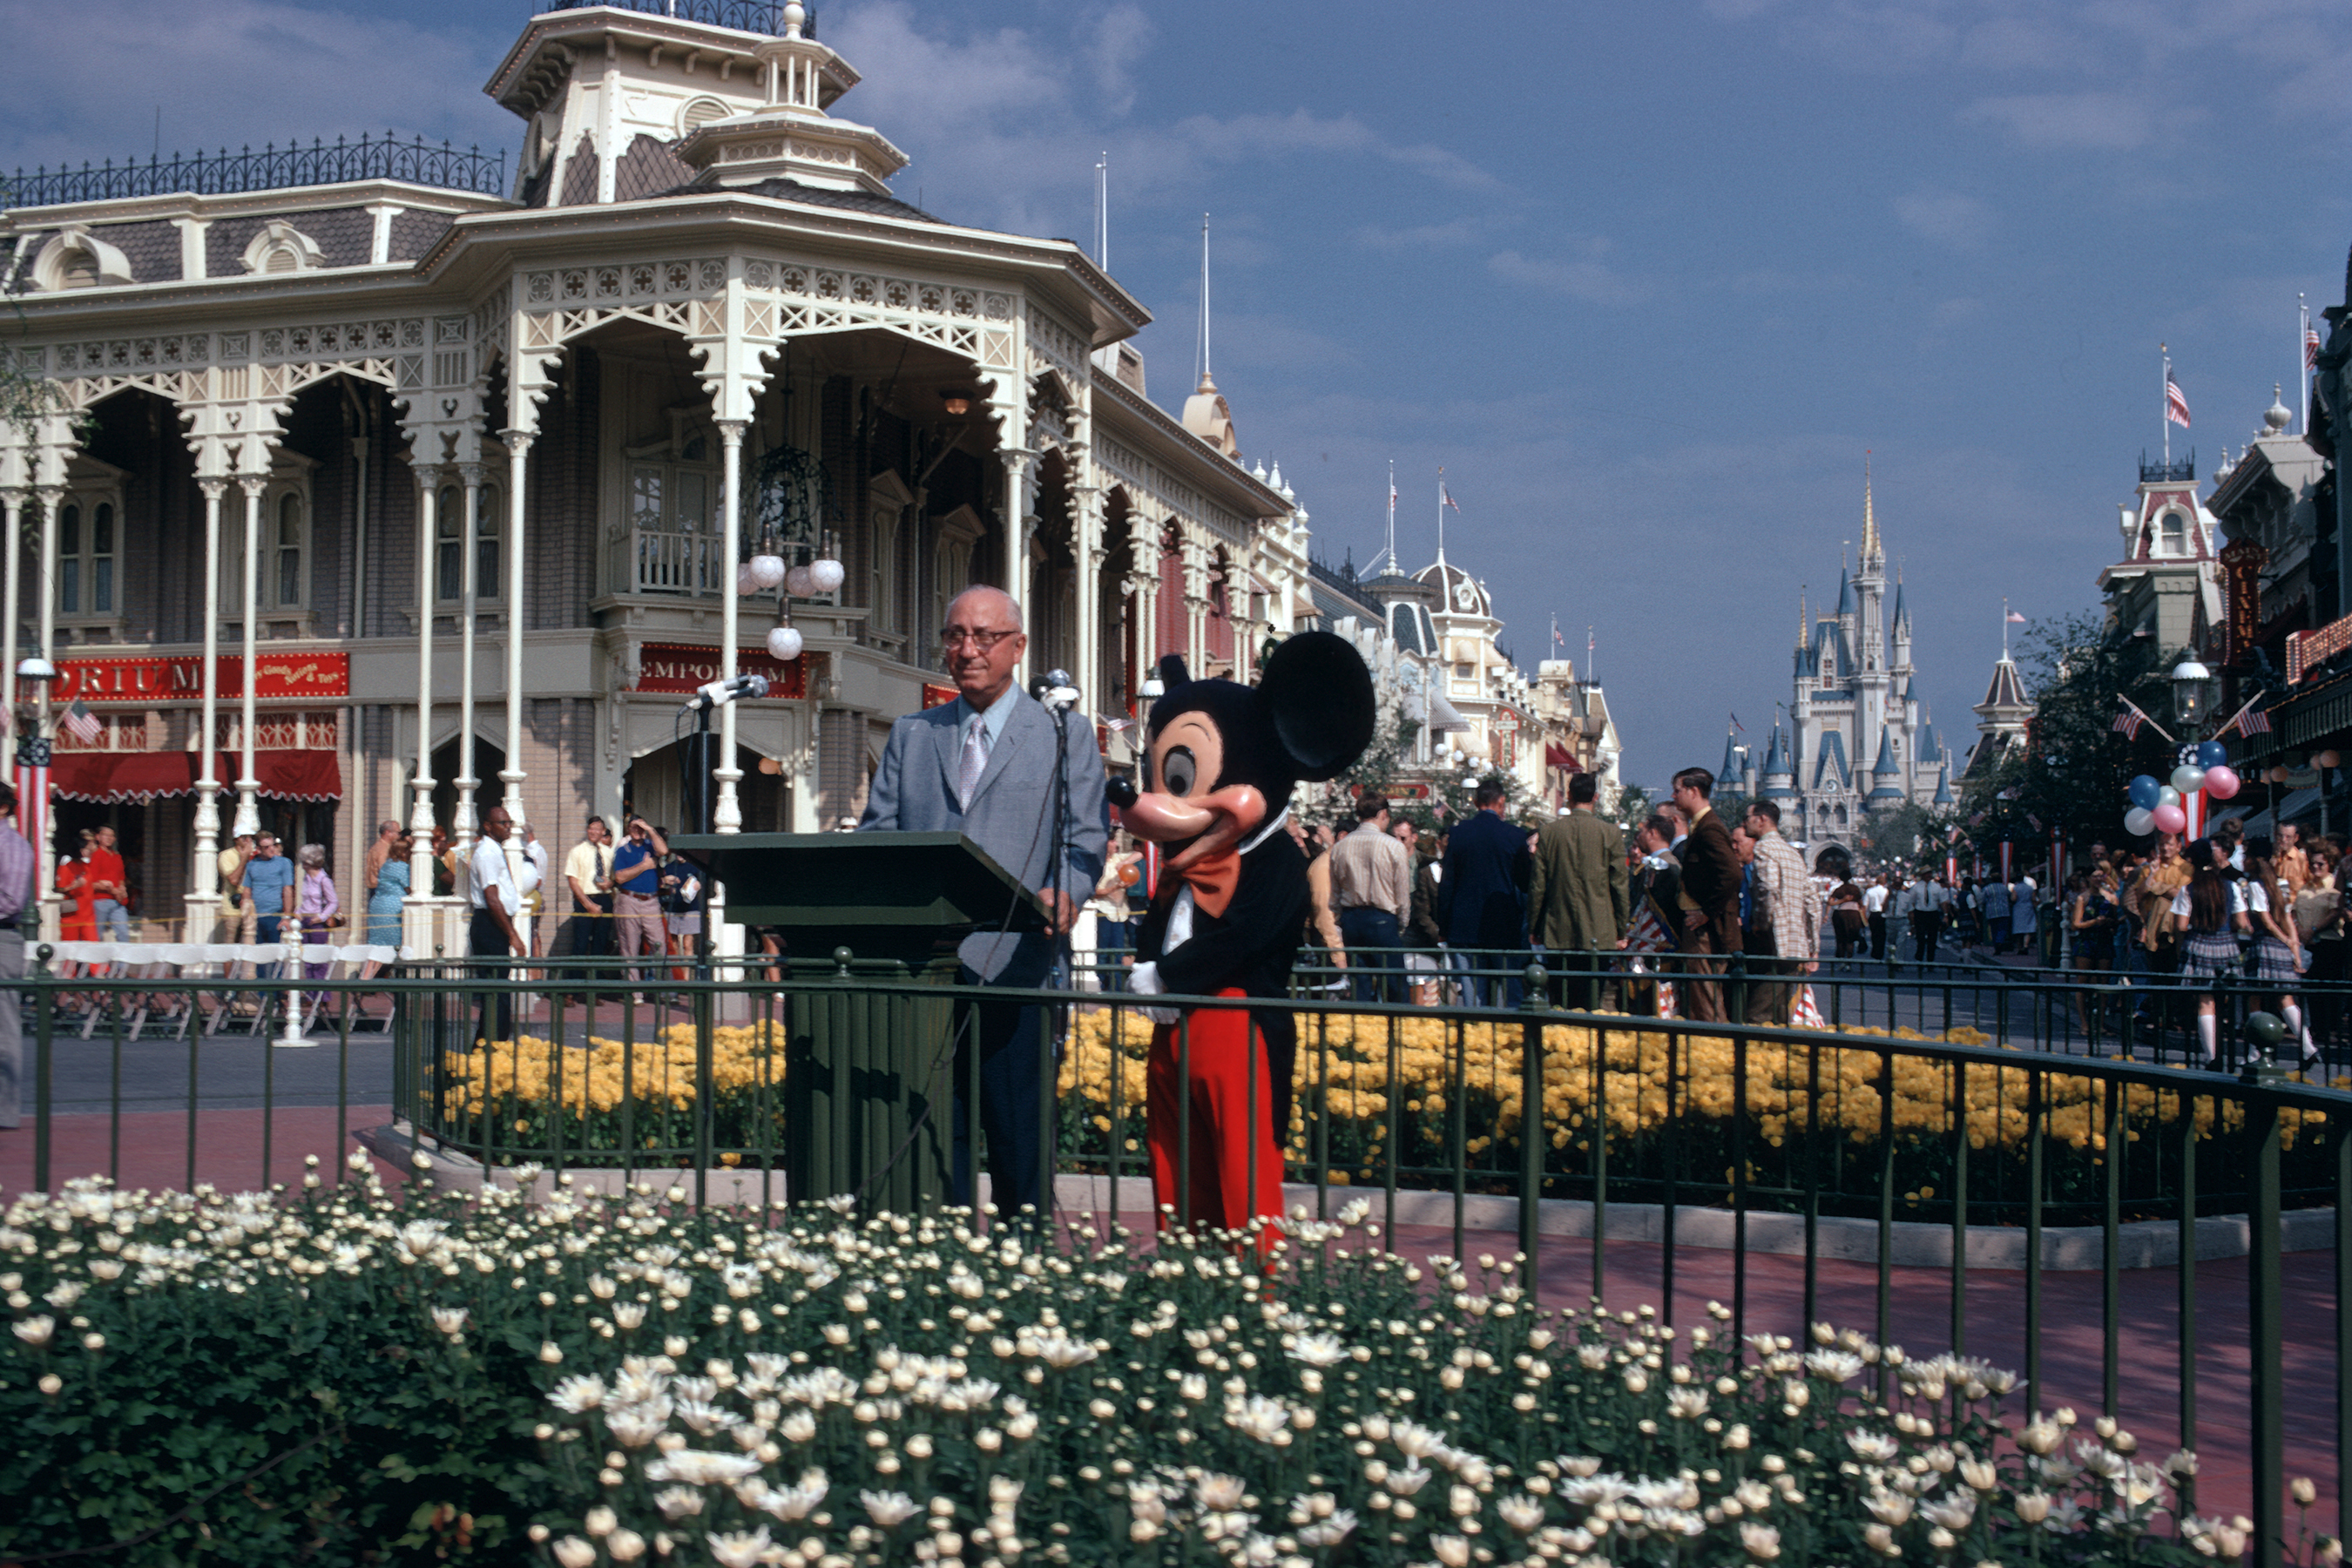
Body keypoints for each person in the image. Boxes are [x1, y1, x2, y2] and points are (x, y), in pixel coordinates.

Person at [857, 584, 1108, 1220]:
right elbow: (877, 835)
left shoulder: (1062, 733)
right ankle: (941, 1266)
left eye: (984, 637)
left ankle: (1023, 1269)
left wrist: (1069, 892)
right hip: (926, 971)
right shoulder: (914, 734)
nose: (967, 650)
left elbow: (1083, 841)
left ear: (1017, 647)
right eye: (955, 635)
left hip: (1016, 966)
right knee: (938, 1134)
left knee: (1019, 1137)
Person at [1531, 772, 1628, 1010]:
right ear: (1595, 797)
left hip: (1558, 929)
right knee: (1592, 1000)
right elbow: (1619, 885)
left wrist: (1535, 926)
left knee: (1561, 1000)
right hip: (1600, 930)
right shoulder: (1611, 833)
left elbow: (1538, 886)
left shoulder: (1550, 832)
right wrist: (1621, 928)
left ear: (1569, 797)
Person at [1436, 778, 1534, 1008]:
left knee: (1472, 997)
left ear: (1476, 802)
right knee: (1511, 993)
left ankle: (1473, 1037)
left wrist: (1444, 927)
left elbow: (1447, 883)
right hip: (1504, 926)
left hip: (1465, 926)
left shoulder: (1459, 834)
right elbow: (1526, 883)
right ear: (1501, 802)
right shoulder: (1515, 836)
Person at [1668, 767, 1742, 1023]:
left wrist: (1707, 913)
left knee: (1705, 1000)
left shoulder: (1709, 828)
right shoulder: (1701, 826)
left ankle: (1715, 1049)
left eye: (1677, 791)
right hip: (1700, 928)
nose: (1674, 796)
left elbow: (1732, 874)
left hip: (1706, 933)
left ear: (1693, 791)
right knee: (1701, 996)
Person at [2172, 838, 2250, 1063]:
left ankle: (2212, 1056)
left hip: (2199, 942)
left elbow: (2179, 925)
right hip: (2226, 943)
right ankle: (2237, 1053)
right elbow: (2242, 922)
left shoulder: (2188, 889)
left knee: (2205, 1001)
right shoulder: (2230, 886)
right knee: (2226, 998)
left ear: (2191, 860)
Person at [2242, 835, 2319, 1065]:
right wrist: (2293, 948)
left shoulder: (2255, 885)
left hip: (2264, 945)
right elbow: (2286, 918)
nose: (2243, 860)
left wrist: (2286, 940)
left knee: (2254, 1000)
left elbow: (2265, 920)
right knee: (2285, 999)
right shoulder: (2279, 883)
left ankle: (2254, 1055)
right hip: (2281, 947)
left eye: (2246, 855)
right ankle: (2308, 1048)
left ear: (2254, 859)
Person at [1740, 800, 1817, 1024]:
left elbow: (1768, 889)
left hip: (1773, 941)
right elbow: (1812, 902)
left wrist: (1761, 924)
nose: (1745, 822)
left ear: (1762, 820)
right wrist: (1813, 945)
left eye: (1748, 818)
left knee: (1757, 1012)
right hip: (1795, 945)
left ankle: (1752, 1054)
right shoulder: (1792, 854)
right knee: (1781, 1009)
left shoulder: (1764, 849)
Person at [1329, 792, 1410, 1004]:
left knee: (1359, 985)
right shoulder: (1394, 846)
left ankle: (1361, 1030)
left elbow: (1335, 893)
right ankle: (1399, 1030)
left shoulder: (1339, 848)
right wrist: (1401, 923)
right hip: (1383, 918)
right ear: (1383, 814)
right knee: (1396, 985)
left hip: (1351, 918)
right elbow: (1402, 894)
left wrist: (1340, 918)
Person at [469, 806, 526, 1043]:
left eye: (509, 822)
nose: (508, 827)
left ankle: (487, 1047)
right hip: (490, 924)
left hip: (495, 924)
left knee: (498, 990)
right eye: (503, 823)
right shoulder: (487, 853)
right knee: (497, 991)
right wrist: (512, 934)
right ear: (488, 826)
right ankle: (494, 1046)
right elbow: (492, 897)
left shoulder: (495, 850)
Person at [1286, 815, 1348, 991]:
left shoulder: (1312, 861)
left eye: (1301, 837)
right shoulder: (1320, 867)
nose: (1300, 843)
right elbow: (1324, 911)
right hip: (1308, 937)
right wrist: (1338, 954)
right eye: (1294, 837)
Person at [609, 815, 669, 993]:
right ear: (628, 829)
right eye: (634, 827)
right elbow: (619, 877)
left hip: (651, 901)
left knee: (660, 944)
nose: (637, 831)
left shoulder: (650, 846)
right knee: (630, 948)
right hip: (629, 900)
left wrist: (650, 829)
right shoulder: (622, 850)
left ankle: (662, 988)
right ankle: (635, 992)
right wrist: (643, 866)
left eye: (640, 827)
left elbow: (664, 851)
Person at [0, 785, 30, 1130]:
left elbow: (11, 901)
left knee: (4, 1029)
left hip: (3, 937)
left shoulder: (13, 846)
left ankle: (4, 1111)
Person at [2068, 866, 2121, 1038]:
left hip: (2104, 941)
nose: (2098, 879)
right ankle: (2084, 1023)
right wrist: (2094, 922)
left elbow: (2115, 921)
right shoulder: (2083, 898)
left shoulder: (2111, 898)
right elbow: (2075, 924)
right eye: (2095, 876)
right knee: (2083, 983)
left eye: (2101, 875)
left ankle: (2100, 1024)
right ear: (2088, 879)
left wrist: (2111, 922)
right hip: (2086, 942)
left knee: (2103, 984)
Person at [563, 817, 615, 981]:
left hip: (605, 899)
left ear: (603, 831)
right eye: (591, 828)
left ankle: (595, 987)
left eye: (597, 829)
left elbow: (614, 879)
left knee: (600, 945)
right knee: (580, 944)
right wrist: (588, 904)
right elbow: (573, 881)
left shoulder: (609, 853)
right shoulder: (577, 851)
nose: (594, 832)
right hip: (584, 900)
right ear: (587, 830)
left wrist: (610, 883)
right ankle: (573, 987)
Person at [240, 833, 296, 975]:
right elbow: (247, 890)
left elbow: (288, 890)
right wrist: (246, 913)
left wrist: (287, 917)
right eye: (266, 847)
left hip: (275, 914)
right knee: (259, 956)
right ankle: (262, 992)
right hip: (256, 916)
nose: (271, 849)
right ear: (258, 849)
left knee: (276, 955)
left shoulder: (284, 863)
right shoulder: (252, 865)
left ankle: (276, 993)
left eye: (273, 845)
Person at [658, 838, 704, 985]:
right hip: (672, 909)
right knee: (674, 944)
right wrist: (665, 881)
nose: (680, 854)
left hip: (690, 910)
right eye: (678, 851)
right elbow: (661, 885)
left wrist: (698, 885)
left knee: (688, 944)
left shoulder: (695, 867)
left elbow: (702, 883)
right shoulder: (669, 867)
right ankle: (677, 977)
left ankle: (687, 978)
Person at [364, 831, 410, 976]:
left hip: (378, 905)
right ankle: (387, 978)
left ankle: (366, 977)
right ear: (404, 853)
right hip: (393, 908)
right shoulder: (402, 867)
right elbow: (409, 888)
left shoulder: (387, 864)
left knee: (377, 946)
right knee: (392, 946)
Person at [294, 844, 340, 984]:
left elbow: (333, 902)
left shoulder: (324, 880)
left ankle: (321, 994)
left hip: (318, 923)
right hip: (305, 920)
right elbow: (306, 901)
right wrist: (298, 912)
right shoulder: (306, 879)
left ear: (308, 863)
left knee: (319, 960)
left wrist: (321, 917)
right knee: (307, 959)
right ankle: (310, 993)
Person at [84, 824, 131, 943]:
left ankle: (121, 962)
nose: (109, 838)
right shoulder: (96, 855)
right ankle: (93, 962)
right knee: (96, 935)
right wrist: (110, 889)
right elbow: (90, 883)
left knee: (124, 934)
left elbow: (121, 878)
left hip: (118, 902)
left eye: (112, 836)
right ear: (98, 837)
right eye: (106, 835)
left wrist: (122, 889)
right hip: (100, 901)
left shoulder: (117, 856)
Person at [521, 824, 551, 965]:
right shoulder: (535, 851)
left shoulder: (535, 852)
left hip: (533, 899)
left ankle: (535, 971)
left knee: (532, 935)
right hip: (531, 899)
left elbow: (537, 879)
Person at [362, 818, 402, 908]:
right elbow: (385, 871)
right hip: (382, 890)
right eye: (398, 832)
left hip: (376, 889)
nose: (399, 836)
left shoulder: (376, 847)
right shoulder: (383, 849)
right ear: (388, 832)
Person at [1828, 872, 1864, 960]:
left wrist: (1842, 900)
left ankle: (1841, 956)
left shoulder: (1839, 889)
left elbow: (1830, 902)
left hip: (1841, 913)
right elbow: (1861, 903)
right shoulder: (1855, 889)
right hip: (1854, 914)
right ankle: (1849, 956)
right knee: (1850, 937)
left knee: (1840, 936)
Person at [1863, 872, 1891, 962]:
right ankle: (1880, 952)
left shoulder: (1870, 891)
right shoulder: (1886, 891)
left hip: (1873, 913)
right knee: (1882, 934)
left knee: (1874, 933)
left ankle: (1875, 951)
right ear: (1884, 882)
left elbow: (1865, 905)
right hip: (1883, 914)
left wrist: (1865, 917)